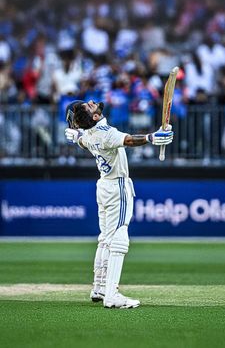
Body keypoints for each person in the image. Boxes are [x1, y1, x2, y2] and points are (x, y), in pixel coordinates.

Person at [65, 100, 173, 309]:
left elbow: (82, 138)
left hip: (103, 186)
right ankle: (112, 294)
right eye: (89, 106)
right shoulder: (104, 132)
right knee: (119, 238)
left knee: (105, 238)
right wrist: (152, 137)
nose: (92, 102)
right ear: (95, 117)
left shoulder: (88, 135)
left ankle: (99, 287)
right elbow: (130, 140)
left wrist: (76, 134)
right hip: (117, 187)